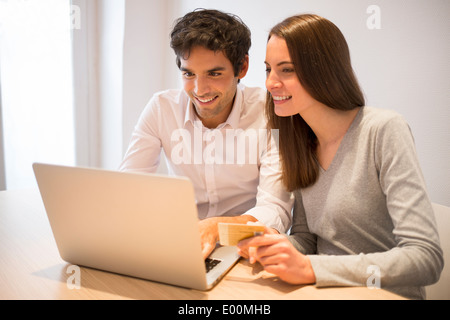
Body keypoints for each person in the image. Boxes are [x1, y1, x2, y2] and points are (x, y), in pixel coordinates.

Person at [237, 14, 443, 300]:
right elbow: (308, 240)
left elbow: (425, 259)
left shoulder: (383, 130)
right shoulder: (299, 142)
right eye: (269, 69)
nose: (271, 83)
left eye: (286, 70)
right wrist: (275, 246)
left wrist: (312, 268)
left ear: (323, 71)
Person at [119, 9, 293, 259]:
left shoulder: (271, 113)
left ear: (241, 67)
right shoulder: (161, 108)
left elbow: (276, 209)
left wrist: (218, 228)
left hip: (243, 249)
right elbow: (129, 188)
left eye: (214, 73)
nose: (200, 90)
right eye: (189, 74)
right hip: (183, 244)